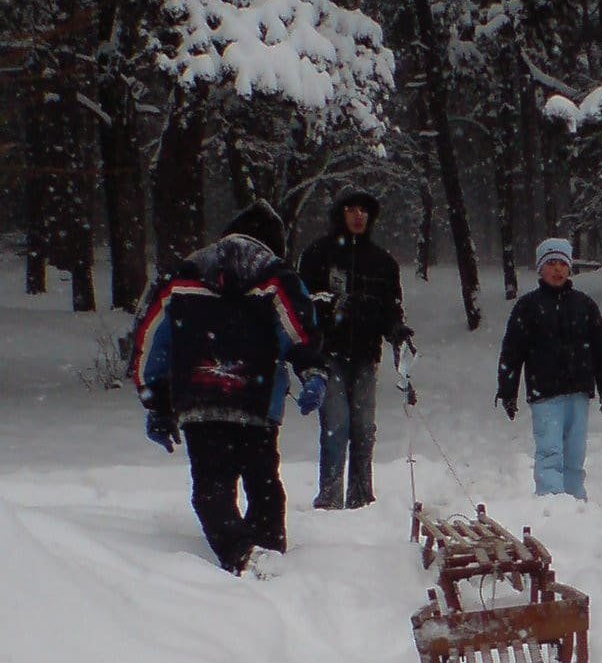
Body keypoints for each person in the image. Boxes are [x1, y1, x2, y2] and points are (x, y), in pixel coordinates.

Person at [129, 200, 327, 575]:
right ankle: (270, 553)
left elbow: (150, 334)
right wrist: (312, 370)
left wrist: (154, 398)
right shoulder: (275, 275)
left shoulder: (182, 274)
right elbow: (298, 327)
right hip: (256, 399)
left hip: (200, 399)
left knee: (211, 486)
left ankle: (240, 554)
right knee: (264, 482)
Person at [297, 186, 413, 509]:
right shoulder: (318, 255)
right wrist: (331, 310)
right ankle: (330, 497)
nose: (358, 216)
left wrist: (396, 332)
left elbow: (391, 309)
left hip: (365, 355)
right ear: (340, 214)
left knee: (364, 429)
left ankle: (361, 499)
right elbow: (302, 304)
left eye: (364, 210)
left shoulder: (383, 263)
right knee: (336, 424)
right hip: (328, 354)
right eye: (351, 209)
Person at [496, 238, 602, 500]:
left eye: (562, 263)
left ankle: (575, 501)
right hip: (545, 394)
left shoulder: (584, 305)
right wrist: (507, 390)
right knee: (550, 451)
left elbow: (601, 349)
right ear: (540, 268)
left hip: (578, 392)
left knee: (575, 453)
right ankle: (550, 502)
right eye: (551, 263)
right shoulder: (527, 307)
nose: (557, 269)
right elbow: (512, 351)